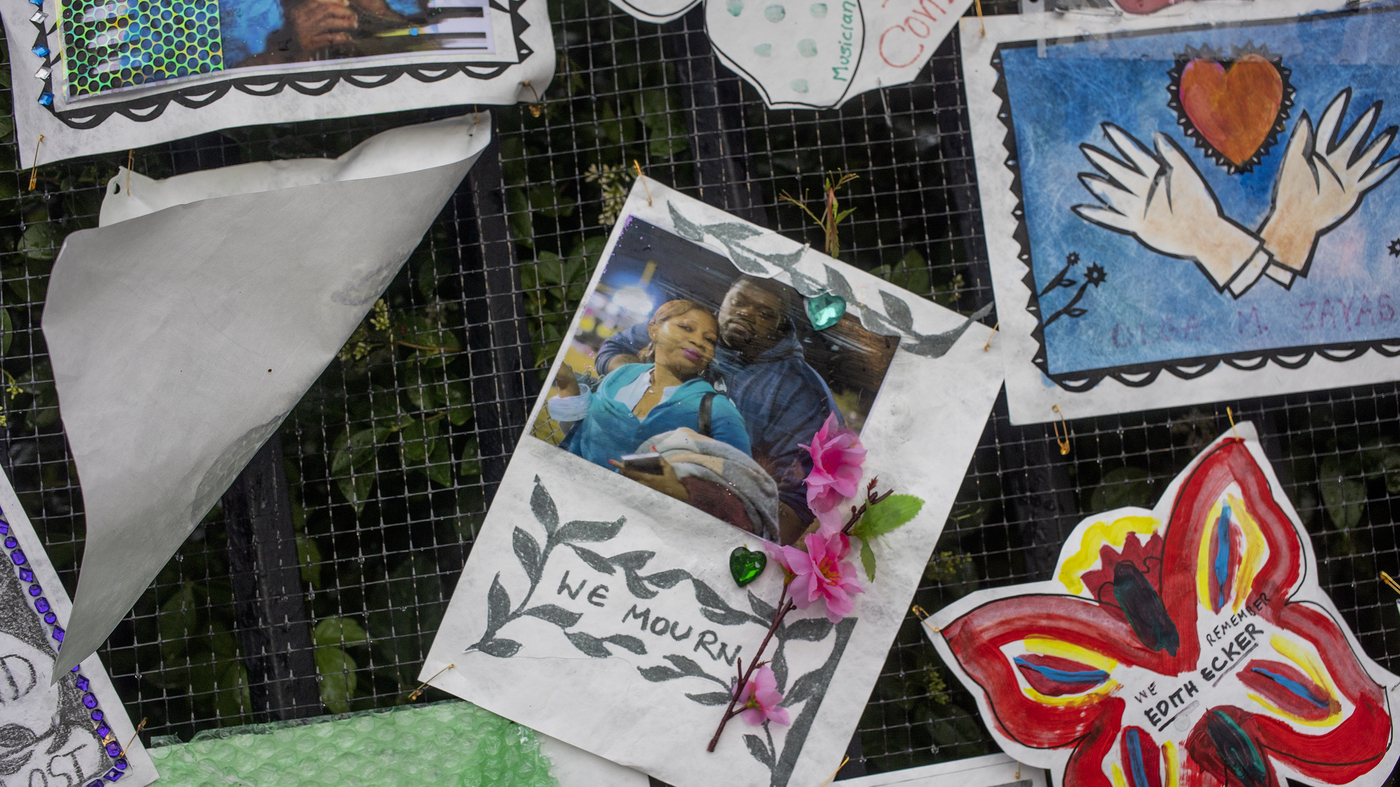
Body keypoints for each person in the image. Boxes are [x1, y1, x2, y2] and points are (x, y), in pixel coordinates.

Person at [594, 275, 841, 545]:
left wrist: (701, 502)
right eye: (739, 302)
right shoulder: (687, 325)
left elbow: (794, 506)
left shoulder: (798, 390)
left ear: (780, 326)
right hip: (614, 472)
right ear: (723, 301)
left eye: (764, 314)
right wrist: (646, 380)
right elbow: (614, 348)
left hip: (698, 525)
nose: (746, 313)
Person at [548, 298, 751, 479]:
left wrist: (681, 489)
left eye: (709, 340)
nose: (698, 341)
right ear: (654, 330)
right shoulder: (622, 376)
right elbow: (581, 434)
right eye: (687, 328)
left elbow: (743, 480)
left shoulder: (718, 409)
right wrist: (567, 383)